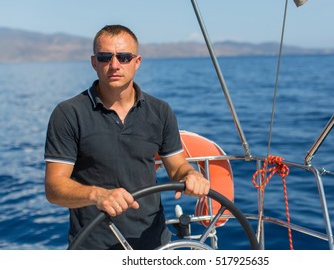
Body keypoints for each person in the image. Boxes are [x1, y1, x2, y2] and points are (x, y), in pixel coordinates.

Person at [44, 24, 210, 250]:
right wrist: (97, 195)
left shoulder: (160, 111)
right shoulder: (69, 113)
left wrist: (192, 175)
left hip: (153, 244)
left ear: (137, 62)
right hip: (93, 247)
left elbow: (177, 168)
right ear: (94, 62)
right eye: (105, 57)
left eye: (123, 57)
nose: (114, 65)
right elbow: (54, 188)